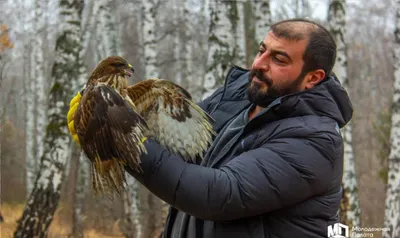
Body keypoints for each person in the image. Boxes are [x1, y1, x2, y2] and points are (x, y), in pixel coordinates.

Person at [69, 18, 353, 237]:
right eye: (262, 50)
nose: (258, 65)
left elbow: (217, 195)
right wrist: (105, 125)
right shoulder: (241, 95)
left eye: (279, 59)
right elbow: (180, 154)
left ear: (313, 77)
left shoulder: (316, 141)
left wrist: (124, 139)